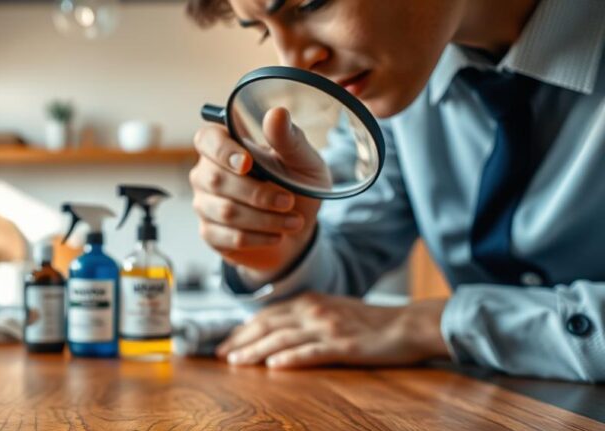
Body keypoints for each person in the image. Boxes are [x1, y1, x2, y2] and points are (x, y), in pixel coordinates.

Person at [185, 0, 605, 382]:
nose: (293, 60)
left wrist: (433, 324)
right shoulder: (400, 85)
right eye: (261, 29)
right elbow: (325, 303)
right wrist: (278, 248)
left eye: (311, 3)